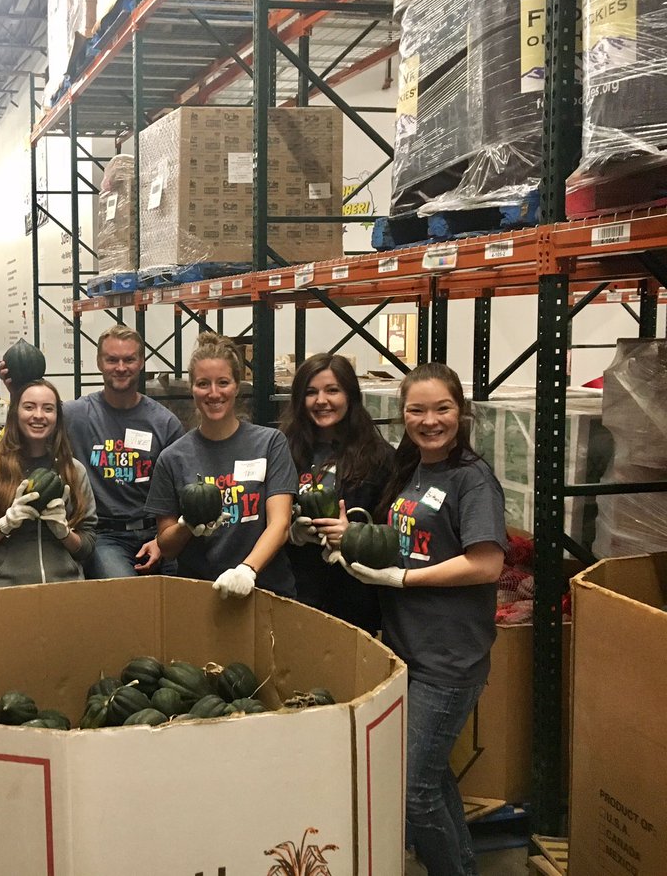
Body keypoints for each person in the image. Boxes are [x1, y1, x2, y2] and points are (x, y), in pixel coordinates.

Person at [332, 362, 506, 876]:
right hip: (410, 649)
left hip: (448, 658)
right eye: (417, 410)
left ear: (462, 412)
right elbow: (403, 542)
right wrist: (352, 538)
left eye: (442, 408)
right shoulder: (414, 470)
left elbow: (485, 562)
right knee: (431, 778)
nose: (430, 420)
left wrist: (404, 580)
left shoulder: (472, 479)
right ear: (403, 414)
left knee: (413, 791)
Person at [145, 333, 297, 598]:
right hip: (201, 595)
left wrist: (247, 571)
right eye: (203, 384)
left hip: (266, 590)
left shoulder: (270, 443)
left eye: (223, 382)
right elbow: (166, 546)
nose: (214, 393)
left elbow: (280, 523)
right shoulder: (172, 458)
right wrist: (186, 526)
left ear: (237, 386)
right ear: (192, 388)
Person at [278, 352, 395, 632]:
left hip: (353, 599)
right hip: (296, 592)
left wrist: (355, 535)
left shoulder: (379, 457)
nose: (321, 401)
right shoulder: (283, 450)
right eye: (311, 392)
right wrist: (291, 532)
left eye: (332, 390)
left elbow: (392, 533)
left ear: (350, 396)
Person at [61, 325, 185, 578]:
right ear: (99, 362)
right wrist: (17, 389)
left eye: (129, 359)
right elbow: (30, 427)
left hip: (157, 531)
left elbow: (181, 490)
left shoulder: (165, 423)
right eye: (112, 360)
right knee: (124, 594)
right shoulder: (74, 416)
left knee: (182, 595)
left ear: (141, 362)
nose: (120, 367)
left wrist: (163, 542)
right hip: (105, 536)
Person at [0, 378, 98, 587]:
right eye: (29, 407)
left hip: (63, 589)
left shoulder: (74, 471)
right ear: (15, 413)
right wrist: (4, 525)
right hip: (1, 590)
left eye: (48, 409)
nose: (39, 415)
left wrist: (64, 533)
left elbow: (87, 546)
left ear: (57, 418)